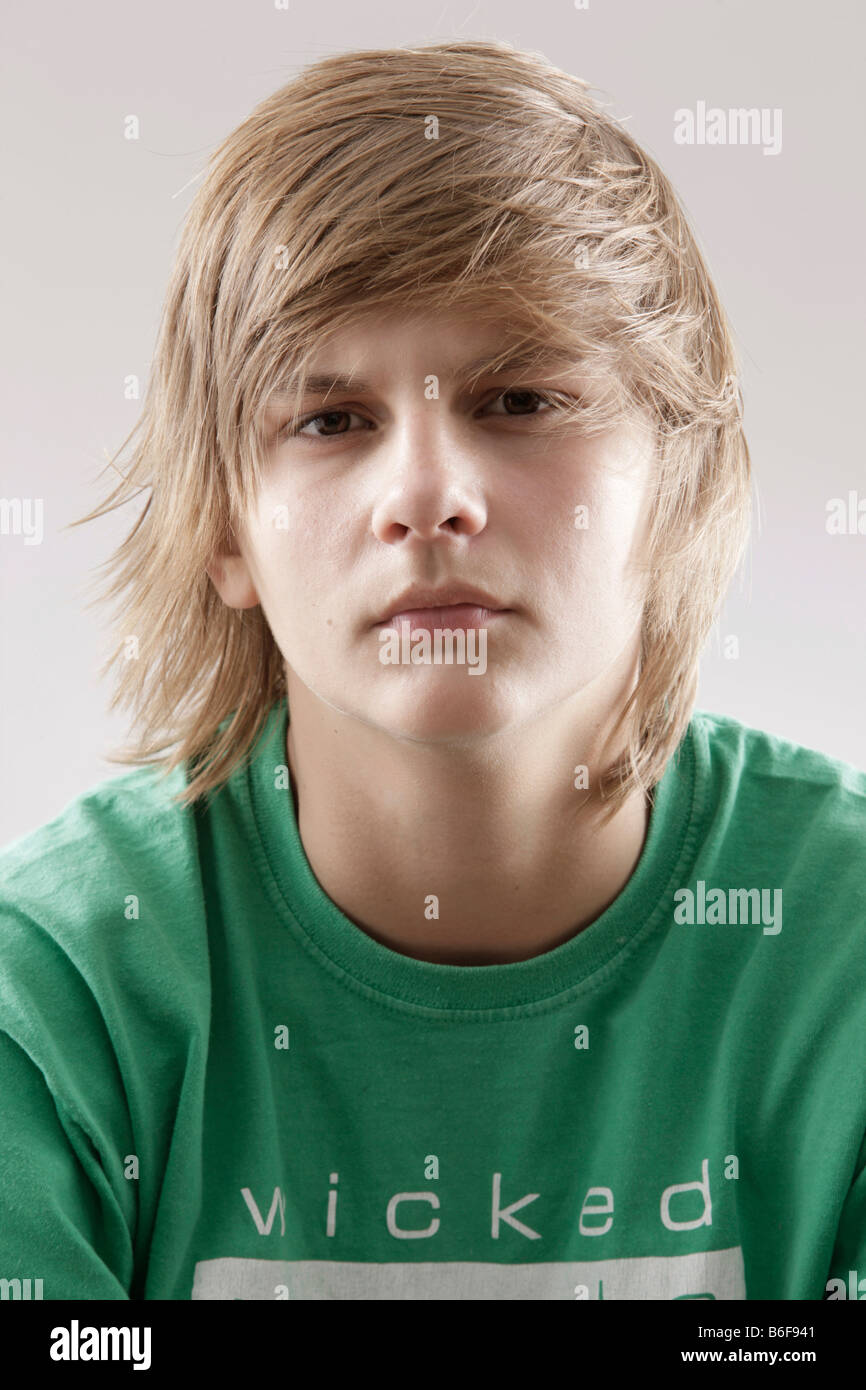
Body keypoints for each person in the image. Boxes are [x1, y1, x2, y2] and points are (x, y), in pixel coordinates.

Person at [1, 38, 863, 1303]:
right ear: (226, 529)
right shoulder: (55, 992)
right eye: (330, 420)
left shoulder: (837, 951)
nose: (425, 496)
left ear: (675, 482)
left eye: (516, 399)